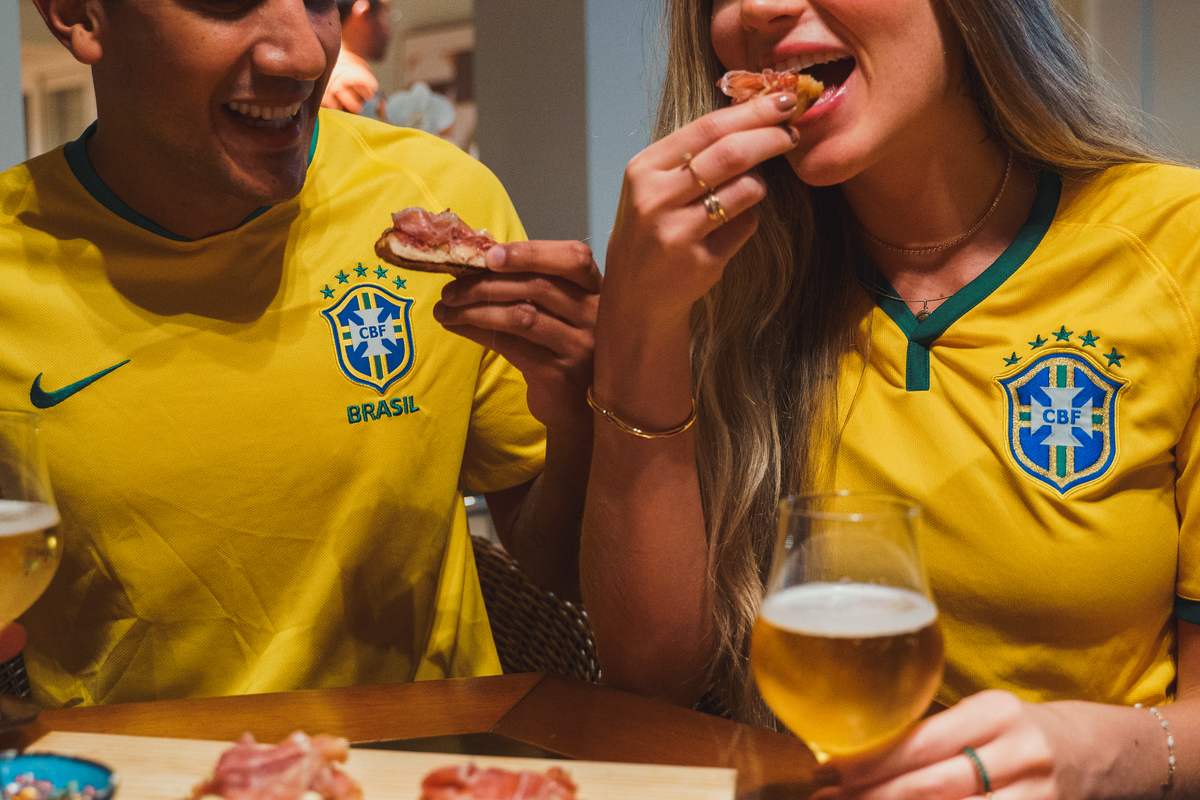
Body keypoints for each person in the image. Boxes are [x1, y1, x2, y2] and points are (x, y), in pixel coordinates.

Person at [580, 0, 1200, 797]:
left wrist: (1103, 752)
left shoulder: (1175, 246)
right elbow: (651, 677)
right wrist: (640, 324)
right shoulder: (723, 276)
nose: (760, 8)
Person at [1, 0, 598, 708]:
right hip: (133, 775)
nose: (306, 55)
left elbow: (560, 565)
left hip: (426, 764)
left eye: (320, 1)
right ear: (80, 15)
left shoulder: (440, 192)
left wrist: (588, 414)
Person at [321, 0, 391, 113]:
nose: (388, 26)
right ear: (363, 12)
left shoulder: (325, 66)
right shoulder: (353, 81)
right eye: (385, 11)